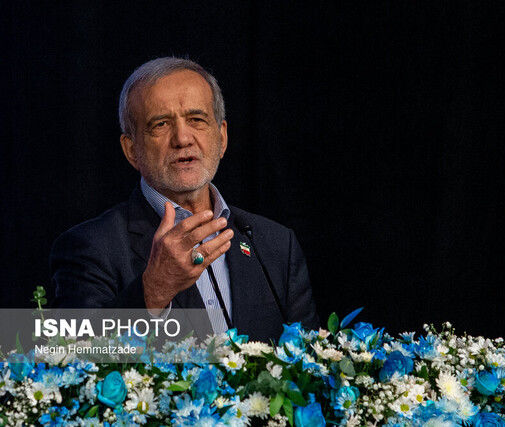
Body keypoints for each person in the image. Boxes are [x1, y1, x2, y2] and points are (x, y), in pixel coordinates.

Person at [50, 57, 319, 342]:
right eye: (161, 124)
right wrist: (152, 292)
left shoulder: (276, 245)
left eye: (196, 120)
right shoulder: (89, 248)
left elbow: (311, 362)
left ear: (222, 137)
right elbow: (73, 353)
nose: (182, 138)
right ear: (131, 150)